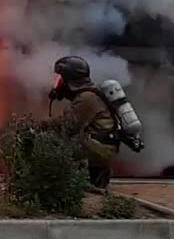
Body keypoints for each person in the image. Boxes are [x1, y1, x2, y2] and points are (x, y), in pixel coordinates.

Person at [48, 55, 120, 189]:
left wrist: (38, 128)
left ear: (69, 79)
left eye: (59, 78)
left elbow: (67, 127)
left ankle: (69, 180)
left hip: (100, 149)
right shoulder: (85, 96)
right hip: (99, 146)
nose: (57, 82)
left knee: (53, 141)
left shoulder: (86, 98)